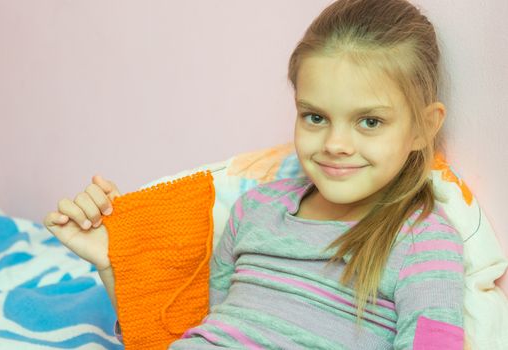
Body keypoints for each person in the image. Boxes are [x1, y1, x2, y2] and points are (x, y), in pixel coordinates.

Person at [44, 0, 465, 348]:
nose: (336, 143)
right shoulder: (255, 209)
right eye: (315, 117)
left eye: (369, 122)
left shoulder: (421, 242)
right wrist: (111, 262)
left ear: (424, 127)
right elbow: (208, 329)